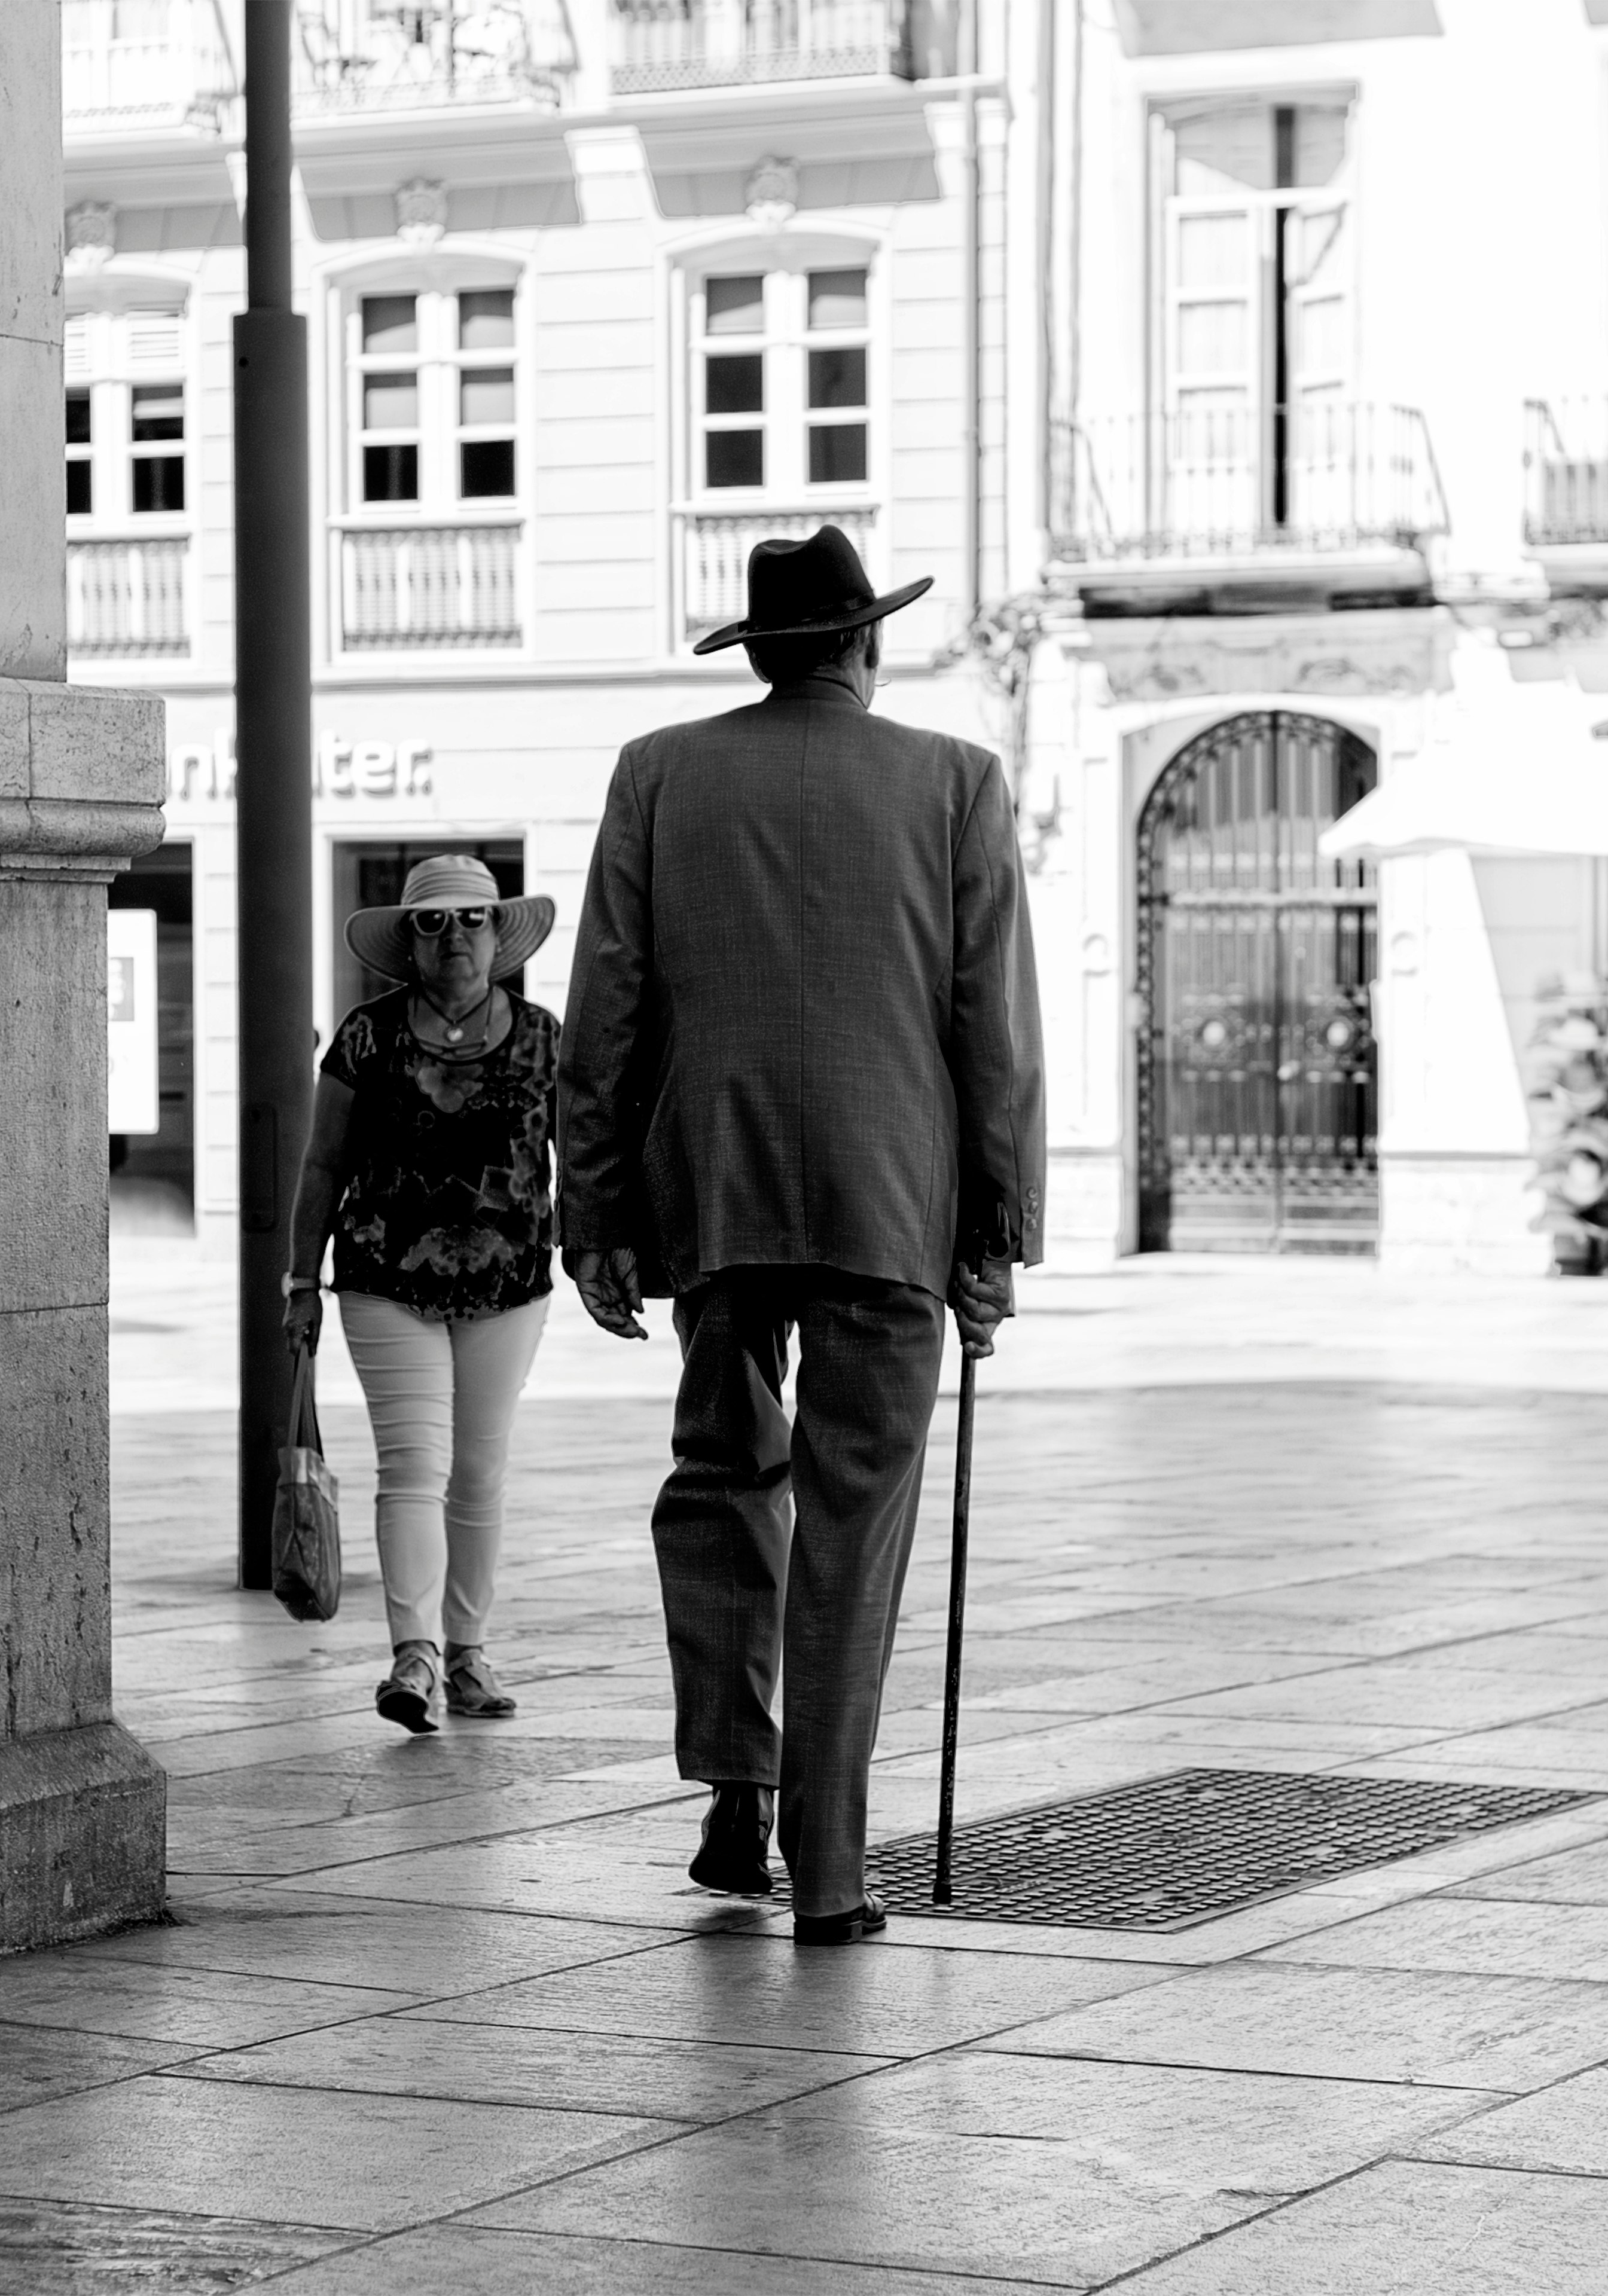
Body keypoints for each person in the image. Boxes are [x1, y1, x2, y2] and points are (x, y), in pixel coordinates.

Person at [556, 525, 1043, 1948]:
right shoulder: (954, 780)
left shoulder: (658, 771)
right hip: (890, 1196)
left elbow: (610, 1003)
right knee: (853, 1524)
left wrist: (592, 1210)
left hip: (712, 1188)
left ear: (763, 651)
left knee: (717, 1475)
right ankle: (826, 1866)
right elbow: (987, 1030)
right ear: (864, 647)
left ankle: (731, 1774)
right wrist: (993, 1234)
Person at [285, 853, 563, 1733]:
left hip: (510, 1287)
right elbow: (323, 1163)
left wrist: (600, 1254)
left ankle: (470, 1652)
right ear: (408, 941)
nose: (456, 938)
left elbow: (581, 1163)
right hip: (384, 1279)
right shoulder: (366, 1035)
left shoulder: (545, 1037)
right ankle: (415, 1656)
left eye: (473, 920)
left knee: (479, 1472)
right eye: (433, 923)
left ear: (500, 935)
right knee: (415, 1465)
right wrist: (300, 1278)